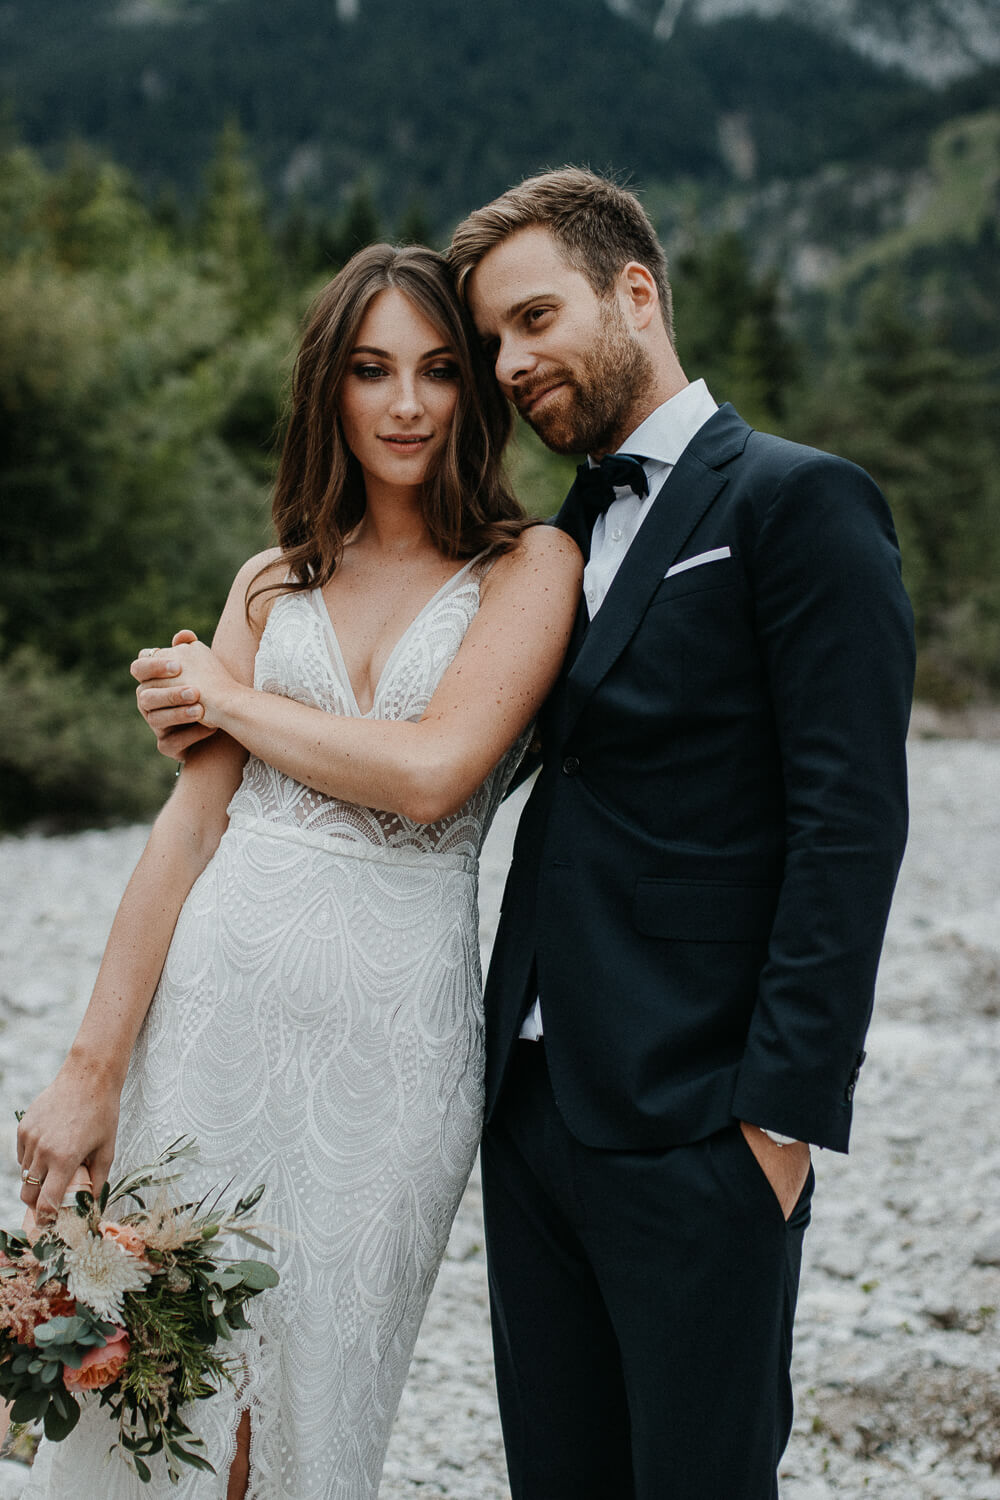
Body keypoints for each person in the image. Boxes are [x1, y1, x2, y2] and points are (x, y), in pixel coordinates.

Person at [134, 170, 916, 1500]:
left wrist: (779, 1124)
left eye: (535, 320)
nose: (513, 364)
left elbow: (850, 827)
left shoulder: (795, 501)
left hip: (699, 1117)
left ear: (637, 291)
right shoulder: (553, 544)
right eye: (494, 341)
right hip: (527, 1106)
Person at [15, 242, 582, 1500]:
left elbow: (437, 774)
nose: (406, 404)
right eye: (372, 370)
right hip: (215, 1022)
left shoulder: (531, 569)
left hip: (395, 1047)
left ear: (472, 392)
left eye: (439, 371)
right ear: (330, 386)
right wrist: (87, 1070)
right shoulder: (273, 582)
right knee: (154, 1382)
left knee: (320, 1416)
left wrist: (227, 695)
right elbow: (189, 825)